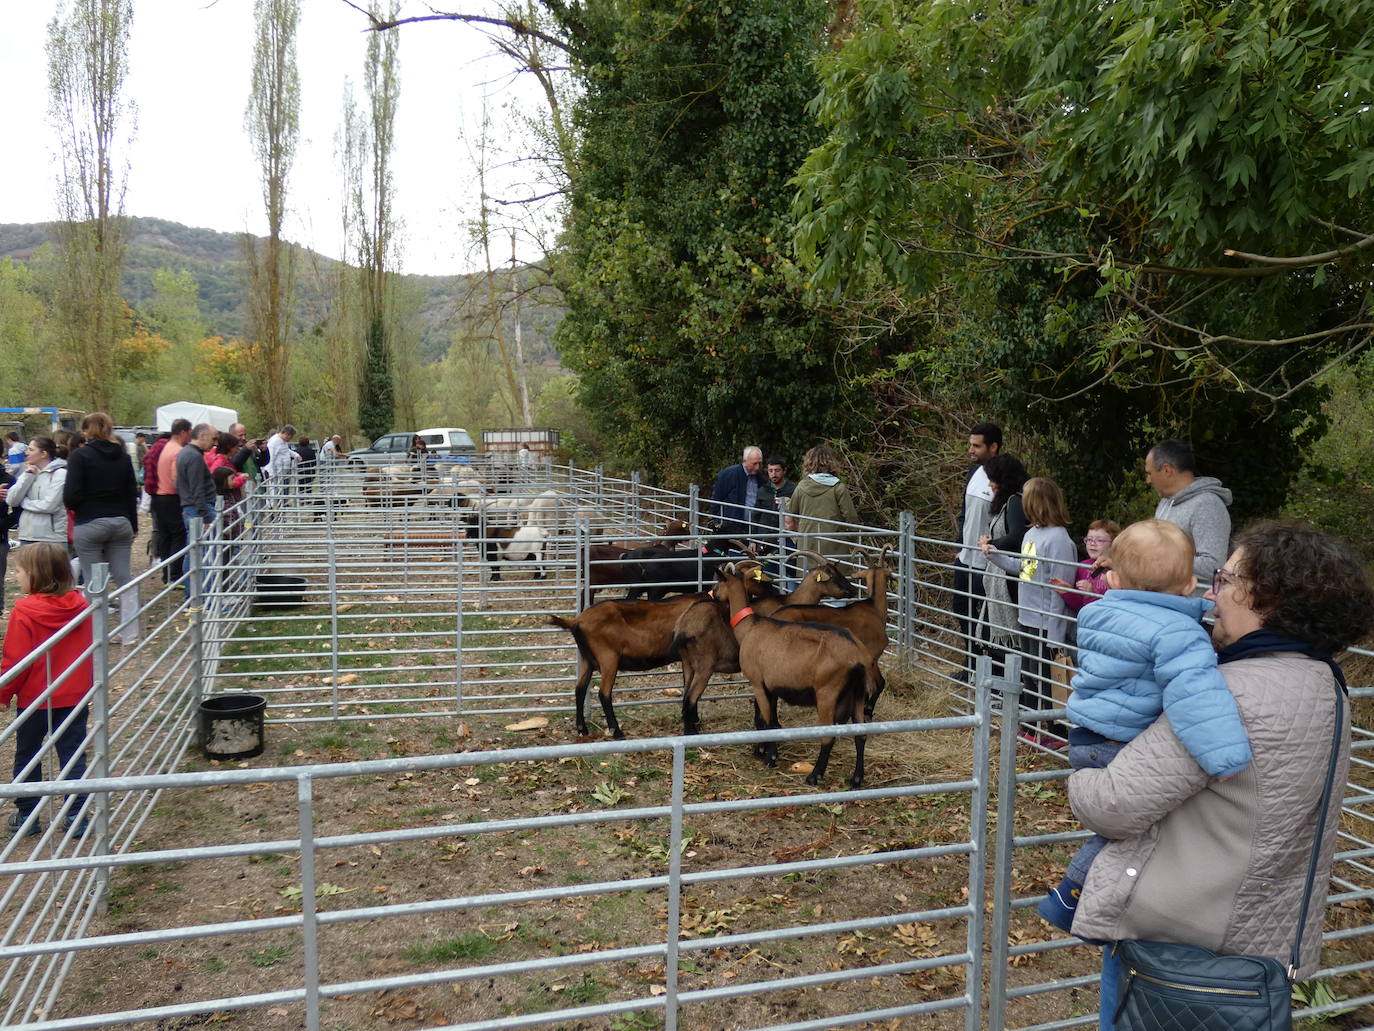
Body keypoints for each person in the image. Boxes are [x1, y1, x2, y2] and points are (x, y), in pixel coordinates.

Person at [1069, 522, 1373, 1029]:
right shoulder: (1325, 684)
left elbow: (1112, 804)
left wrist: (1082, 766)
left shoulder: (1225, 696)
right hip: (1262, 941)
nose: (1211, 591)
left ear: (1266, 598)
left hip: (1182, 950)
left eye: (1225, 578)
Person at [1035, 519, 1251, 933]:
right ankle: (1072, 895)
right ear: (1190, 585)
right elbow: (1197, 698)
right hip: (1124, 739)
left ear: (1113, 578)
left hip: (1085, 735)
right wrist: (1225, 757)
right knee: (1138, 829)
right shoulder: (1178, 632)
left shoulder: (1098, 612)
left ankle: (1078, 896)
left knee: (1131, 828)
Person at [0, 542, 94, 837]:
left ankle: (27, 814)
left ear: (36, 575)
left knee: (27, 753)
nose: (16, 577)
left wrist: (3, 692)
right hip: (74, 695)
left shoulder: (24, 612)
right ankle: (77, 815)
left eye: (19, 571)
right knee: (72, 753)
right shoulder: (83, 606)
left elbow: (17, 661)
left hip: (36, 697)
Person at [980, 476, 1076, 743]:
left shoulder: (1059, 539)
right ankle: (1035, 727)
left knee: (1048, 677)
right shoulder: (1032, 534)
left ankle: (1055, 731)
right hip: (1028, 616)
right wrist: (994, 554)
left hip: (1047, 622)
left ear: (1037, 502)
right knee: (1031, 674)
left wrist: (1057, 629)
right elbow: (1025, 570)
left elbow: (1062, 587)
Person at [64, 412, 140, 645]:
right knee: (123, 577)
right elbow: (131, 494)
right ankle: (129, 632)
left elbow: (70, 496)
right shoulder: (123, 457)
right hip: (120, 521)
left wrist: (83, 507)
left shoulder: (79, 456)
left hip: (90, 522)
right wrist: (133, 525)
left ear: (87, 431)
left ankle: (95, 635)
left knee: (93, 581)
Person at [1145, 439, 1231, 588]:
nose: (1148, 480)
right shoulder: (1165, 502)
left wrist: (1155, 560)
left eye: (1149, 473)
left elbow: (1213, 566)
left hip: (1192, 608)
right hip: (1165, 602)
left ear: (1167, 470)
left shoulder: (1208, 505)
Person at [953, 422, 1001, 680]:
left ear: (993, 447)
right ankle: (971, 662)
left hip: (988, 563)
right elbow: (965, 512)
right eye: (970, 444)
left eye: (976, 445)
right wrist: (959, 544)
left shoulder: (1005, 477)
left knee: (988, 619)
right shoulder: (973, 472)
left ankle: (991, 671)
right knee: (961, 608)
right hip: (965, 558)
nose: (970, 449)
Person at [976, 453, 1029, 665]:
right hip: (1000, 575)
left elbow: (1017, 536)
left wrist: (992, 545)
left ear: (1003, 480)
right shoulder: (1010, 501)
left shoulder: (1015, 502)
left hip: (1008, 578)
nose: (989, 484)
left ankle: (1011, 689)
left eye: (993, 479)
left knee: (1004, 641)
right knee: (994, 637)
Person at [785, 444, 860, 567]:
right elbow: (851, 519)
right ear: (832, 463)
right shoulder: (838, 488)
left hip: (807, 546)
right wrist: (850, 539)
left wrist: (787, 502)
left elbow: (791, 511)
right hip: (835, 547)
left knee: (809, 582)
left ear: (809, 463)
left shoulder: (801, 487)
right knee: (835, 582)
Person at [6, 437, 69, 550]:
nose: (26, 453)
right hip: (27, 536)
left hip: (52, 539)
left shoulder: (60, 474)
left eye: (30, 449)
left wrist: (24, 503)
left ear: (43, 454)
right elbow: (11, 500)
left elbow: (49, 506)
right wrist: (27, 476)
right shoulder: (29, 473)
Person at [1049, 519, 1119, 612]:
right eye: (1089, 539)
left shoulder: (1117, 570)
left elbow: (1114, 607)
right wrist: (1067, 591)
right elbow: (1079, 605)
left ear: (1113, 543)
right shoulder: (1082, 567)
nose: (1092, 543)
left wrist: (1091, 594)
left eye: (1100, 540)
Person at [153, 419, 192, 582]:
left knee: (165, 536)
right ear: (183, 432)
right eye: (190, 432)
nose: (190, 436)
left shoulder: (167, 447)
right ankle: (175, 575)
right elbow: (176, 478)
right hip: (171, 497)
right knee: (178, 535)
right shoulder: (177, 451)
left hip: (160, 497)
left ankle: (166, 574)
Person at [711, 446, 765, 542]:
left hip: (752, 525)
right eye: (754, 464)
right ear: (745, 461)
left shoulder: (760, 478)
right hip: (731, 525)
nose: (757, 467)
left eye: (760, 463)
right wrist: (718, 521)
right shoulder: (728, 475)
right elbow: (716, 499)